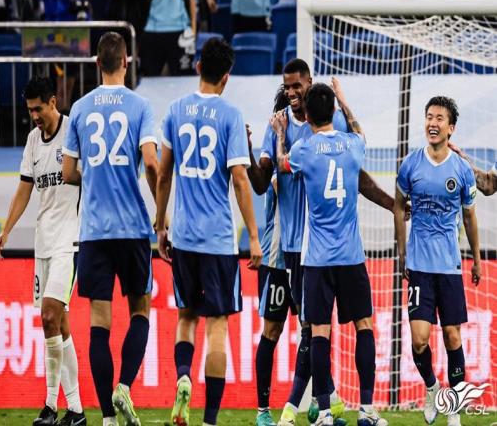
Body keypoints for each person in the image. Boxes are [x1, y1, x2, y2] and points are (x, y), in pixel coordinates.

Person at [247, 58, 399, 426]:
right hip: (320, 251)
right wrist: (344, 102)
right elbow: (360, 144)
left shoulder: (301, 147)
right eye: (287, 86)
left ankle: (317, 410)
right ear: (333, 110)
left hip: (314, 254)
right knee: (356, 325)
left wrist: (276, 139)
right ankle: (356, 407)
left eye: (297, 86)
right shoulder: (350, 140)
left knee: (315, 331)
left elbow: (284, 163)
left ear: (309, 88)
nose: (291, 92)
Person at [155, 37, 262, 426]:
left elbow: (163, 174)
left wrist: (161, 224)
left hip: (183, 236)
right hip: (217, 239)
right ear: (227, 77)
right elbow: (240, 179)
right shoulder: (231, 115)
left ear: (198, 67)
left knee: (186, 317)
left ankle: (183, 376)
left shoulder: (175, 110)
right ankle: (210, 419)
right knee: (217, 323)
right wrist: (253, 236)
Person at [62, 31, 159, 426]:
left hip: (93, 232)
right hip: (132, 228)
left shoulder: (79, 109)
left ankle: (105, 417)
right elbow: (150, 162)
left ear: (97, 63)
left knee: (98, 325)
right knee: (140, 311)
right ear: (127, 62)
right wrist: (161, 212)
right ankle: (124, 387)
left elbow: (68, 172)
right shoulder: (140, 105)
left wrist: (93, 174)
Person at [0, 77, 86, 426]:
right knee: (58, 324)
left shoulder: (73, 132)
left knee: (49, 316)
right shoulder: (33, 140)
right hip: (44, 242)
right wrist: (5, 229)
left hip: (70, 240)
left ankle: (49, 405)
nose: (34, 116)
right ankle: (76, 410)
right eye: (29, 110)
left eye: (38, 108)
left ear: (53, 102)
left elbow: (91, 178)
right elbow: (24, 189)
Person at [394, 96, 481, 426]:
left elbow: (470, 216)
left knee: (453, 338)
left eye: (439, 118)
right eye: (429, 116)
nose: (432, 123)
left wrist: (476, 259)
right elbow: (398, 206)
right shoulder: (410, 165)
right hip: (418, 265)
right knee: (418, 340)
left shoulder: (461, 169)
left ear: (451, 128)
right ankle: (432, 388)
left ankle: (453, 409)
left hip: (449, 267)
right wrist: (401, 251)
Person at [251, 86, 297, 426]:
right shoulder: (278, 152)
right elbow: (265, 180)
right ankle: (263, 409)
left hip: (308, 256)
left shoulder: (311, 143)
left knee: (315, 329)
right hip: (277, 257)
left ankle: (320, 402)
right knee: (271, 331)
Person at [141, 0, 197, 76]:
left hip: (181, 30)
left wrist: (193, 29)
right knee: (149, 78)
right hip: (154, 28)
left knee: (184, 79)